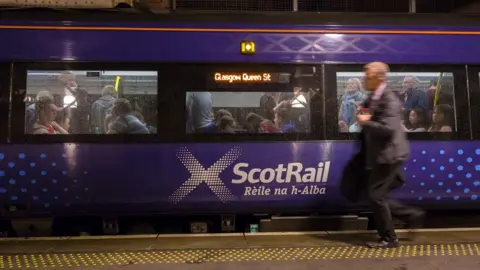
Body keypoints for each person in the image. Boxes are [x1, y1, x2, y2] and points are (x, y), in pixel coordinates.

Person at [357, 62, 424, 248]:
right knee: (378, 194)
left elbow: (389, 129)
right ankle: (411, 215)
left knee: (375, 196)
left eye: (367, 76)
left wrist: (365, 122)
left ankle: (390, 238)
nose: (364, 79)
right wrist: (362, 113)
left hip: (389, 154)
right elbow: (365, 111)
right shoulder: (373, 96)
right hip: (384, 153)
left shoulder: (389, 99)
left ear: (379, 78)